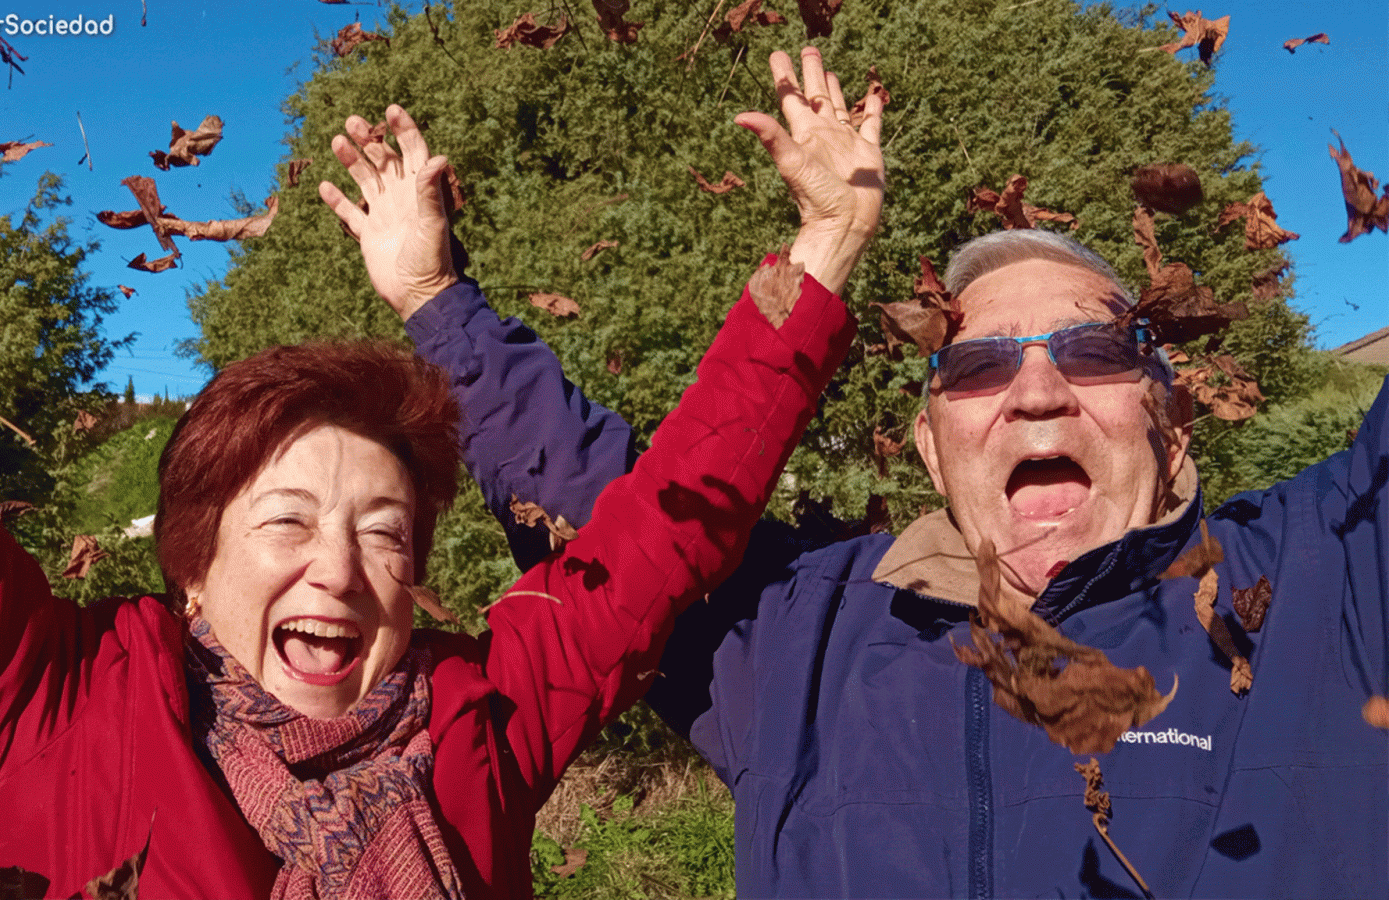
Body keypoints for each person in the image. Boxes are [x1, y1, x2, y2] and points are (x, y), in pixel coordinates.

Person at [0, 3, 882, 897]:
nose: (341, 569)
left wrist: (824, 250)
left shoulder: (483, 716)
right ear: (190, 562)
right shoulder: (37, 708)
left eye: (383, 529)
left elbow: (666, 527)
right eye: (286, 520)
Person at [395, 94, 1389, 900]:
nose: (1036, 393)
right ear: (928, 443)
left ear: (1167, 414)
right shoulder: (798, 638)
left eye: (1089, 353)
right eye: (977, 371)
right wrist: (436, 303)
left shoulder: (1331, 576)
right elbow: (611, 510)